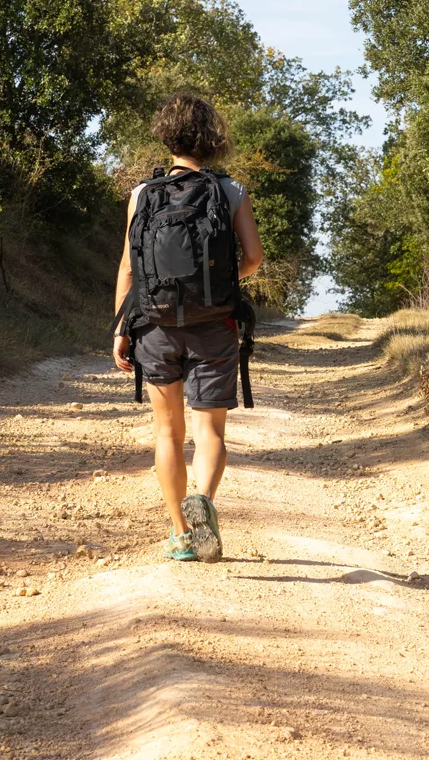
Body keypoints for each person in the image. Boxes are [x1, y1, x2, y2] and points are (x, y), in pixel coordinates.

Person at [113, 94, 264, 562]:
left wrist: (121, 327)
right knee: (210, 431)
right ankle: (205, 503)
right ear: (212, 137)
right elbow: (255, 258)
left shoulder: (142, 195)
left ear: (166, 136)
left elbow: (128, 267)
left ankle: (180, 532)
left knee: (167, 434)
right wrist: (220, 285)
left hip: (155, 326)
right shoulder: (230, 190)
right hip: (214, 324)